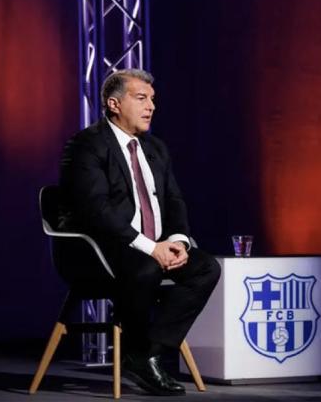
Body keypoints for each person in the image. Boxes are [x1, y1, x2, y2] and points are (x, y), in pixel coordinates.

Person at [58, 69, 220, 396]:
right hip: (104, 251)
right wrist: (150, 247)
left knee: (206, 268)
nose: (151, 107)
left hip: (152, 246)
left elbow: (174, 201)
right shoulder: (87, 144)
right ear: (114, 103)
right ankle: (142, 351)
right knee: (145, 267)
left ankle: (147, 354)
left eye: (153, 100)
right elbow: (95, 211)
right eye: (141, 98)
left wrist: (176, 242)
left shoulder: (155, 148)